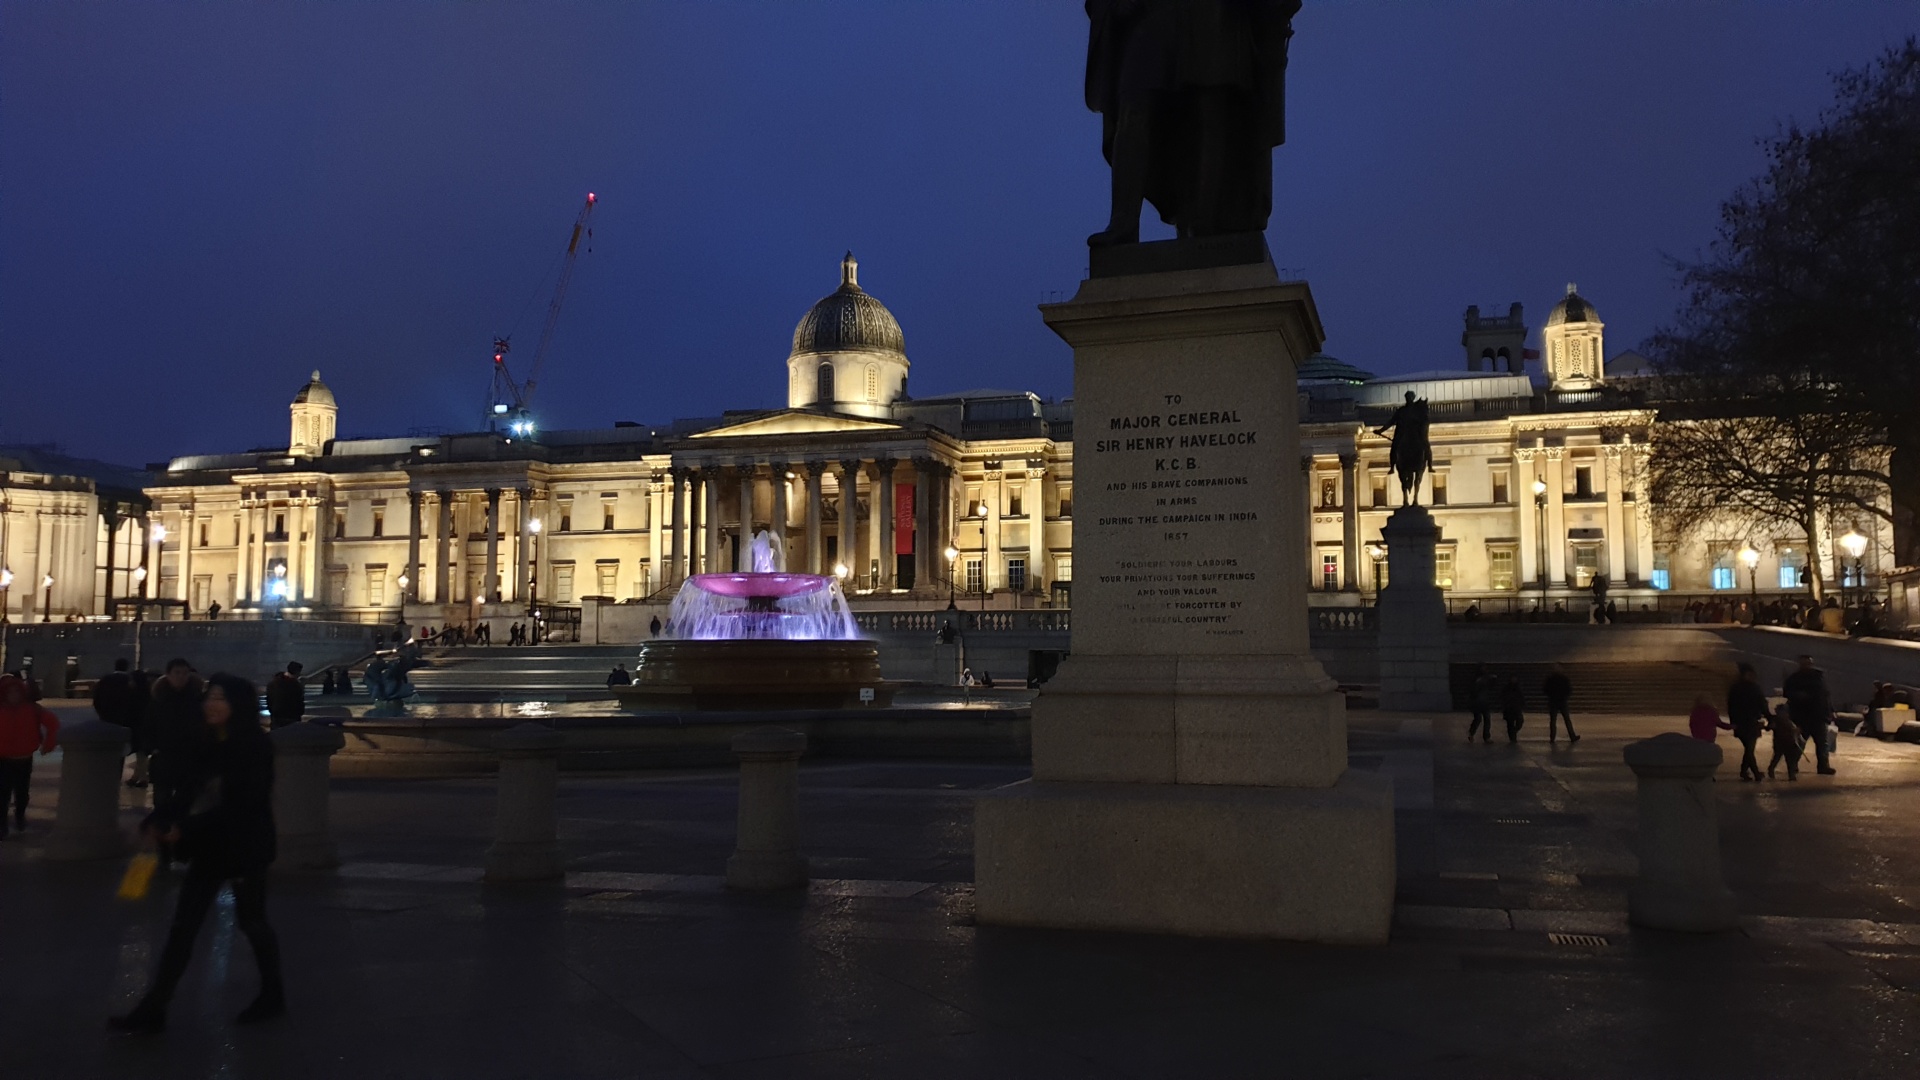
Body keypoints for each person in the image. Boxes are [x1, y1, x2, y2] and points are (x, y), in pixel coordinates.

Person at [110, 674, 283, 1034]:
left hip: (244, 847)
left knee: (252, 922)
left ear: (238, 703)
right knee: (183, 927)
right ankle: (154, 1006)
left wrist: (185, 829)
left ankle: (273, 993)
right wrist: (156, 820)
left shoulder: (254, 746)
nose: (211, 704)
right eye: (209, 697)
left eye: (220, 698)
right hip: (210, 847)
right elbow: (188, 794)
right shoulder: (206, 742)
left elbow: (243, 806)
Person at [148, 659, 208, 865]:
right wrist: (153, 747)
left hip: (190, 762)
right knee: (162, 806)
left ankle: (182, 849)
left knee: (186, 808)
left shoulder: (198, 699)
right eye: (177, 673)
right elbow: (148, 726)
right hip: (164, 761)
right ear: (168, 674)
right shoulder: (158, 699)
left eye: (184, 673)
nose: (181, 677)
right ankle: (163, 850)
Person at [0, 674, 60, 838]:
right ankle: (2, 824)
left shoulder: (32, 709)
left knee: (22, 793)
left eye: (17, 692)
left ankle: (19, 816)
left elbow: (53, 723)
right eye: (10, 692)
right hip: (3, 759)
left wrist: (49, 744)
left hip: (24, 759)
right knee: (3, 794)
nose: (14, 695)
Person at [93, 658, 149, 787]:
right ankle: (118, 776)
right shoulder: (130, 682)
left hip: (107, 719)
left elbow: (96, 699)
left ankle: (107, 775)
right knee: (123, 749)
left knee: (108, 749)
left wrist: (102, 714)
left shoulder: (105, 679)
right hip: (125, 720)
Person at [1783, 654, 1837, 775]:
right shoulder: (1794, 679)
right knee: (1799, 743)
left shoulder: (1819, 678)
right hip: (1802, 717)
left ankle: (1823, 766)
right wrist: (1798, 696)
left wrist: (1831, 710)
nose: (1806, 666)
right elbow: (1787, 694)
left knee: (1822, 744)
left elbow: (1826, 695)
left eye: (1808, 663)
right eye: (1804, 663)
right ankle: (1793, 765)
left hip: (1819, 716)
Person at [1727, 663, 1770, 781]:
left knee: (1749, 748)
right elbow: (1732, 707)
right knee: (1749, 749)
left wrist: (1769, 717)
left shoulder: (1739, 688)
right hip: (1745, 722)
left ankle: (1744, 771)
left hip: (1748, 722)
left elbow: (1762, 705)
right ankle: (1755, 773)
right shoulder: (1746, 688)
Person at [1767, 701, 1803, 780]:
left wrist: (1797, 733)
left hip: (1788, 743)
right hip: (1780, 742)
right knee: (1778, 757)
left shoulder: (1788, 721)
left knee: (1789, 760)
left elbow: (1795, 731)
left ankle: (1791, 775)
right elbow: (1771, 727)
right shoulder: (1778, 720)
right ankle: (1772, 769)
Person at [1543, 665, 1579, 743]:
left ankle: (1553, 737)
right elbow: (1569, 689)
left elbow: (1545, 689)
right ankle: (1571, 736)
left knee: (1554, 720)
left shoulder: (1551, 679)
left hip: (1554, 701)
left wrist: (1551, 695)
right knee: (1565, 719)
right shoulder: (1563, 678)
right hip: (1561, 701)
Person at [265, 662, 305, 729]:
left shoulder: (274, 683)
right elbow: (299, 701)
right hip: (292, 717)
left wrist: (272, 710)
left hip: (276, 716)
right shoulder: (296, 685)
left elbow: (269, 699)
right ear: (297, 672)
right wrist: (300, 712)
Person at [1466, 664, 1495, 743]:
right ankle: (1472, 733)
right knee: (1478, 719)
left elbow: (1491, 687)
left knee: (1486, 719)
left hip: (1484, 701)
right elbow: (1472, 690)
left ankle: (1486, 736)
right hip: (1477, 702)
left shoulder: (1486, 678)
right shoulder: (1476, 679)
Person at [1499, 676, 1526, 743]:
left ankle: (1513, 733)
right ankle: (1512, 737)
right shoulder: (1506, 688)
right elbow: (1502, 697)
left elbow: (1521, 696)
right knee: (1510, 723)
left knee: (1519, 721)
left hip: (1516, 707)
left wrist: (1522, 704)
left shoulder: (1518, 688)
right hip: (1509, 708)